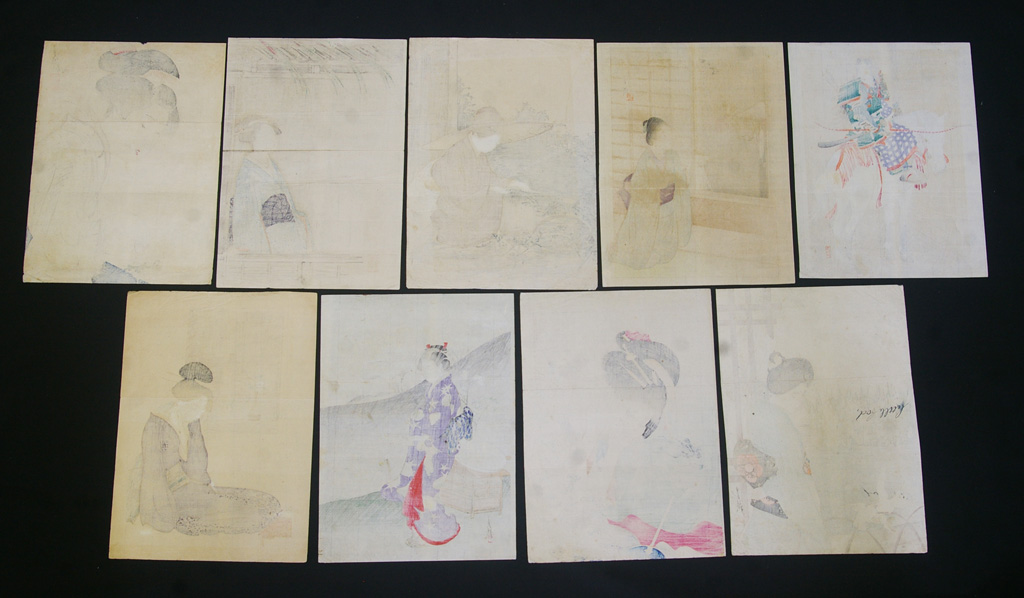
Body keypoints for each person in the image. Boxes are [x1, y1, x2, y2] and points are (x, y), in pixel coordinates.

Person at [136, 362, 281, 536]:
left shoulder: (190, 421)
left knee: (262, 503)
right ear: (187, 403)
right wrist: (167, 510)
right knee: (247, 514)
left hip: (192, 488)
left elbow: (197, 469)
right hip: (170, 496)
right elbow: (155, 475)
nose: (202, 413)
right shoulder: (158, 425)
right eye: (200, 407)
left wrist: (195, 432)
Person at [381, 343, 473, 545]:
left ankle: (436, 532)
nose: (424, 372)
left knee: (428, 494)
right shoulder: (437, 387)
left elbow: (439, 421)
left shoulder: (446, 390)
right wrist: (420, 419)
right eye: (423, 368)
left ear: (441, 367)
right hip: (429, 446)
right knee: (419, 492)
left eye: (428, 367)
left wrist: (419, 420)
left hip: (437, 449)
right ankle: (421, 532)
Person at [611, 117, 691, 269]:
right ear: (654, 139)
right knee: (643, 251)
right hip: (650, 206)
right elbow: (638, 186)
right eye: (664, 135)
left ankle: (660, 251)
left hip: (669, 206)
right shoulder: (645, 158)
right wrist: (656, 193)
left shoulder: (673, 156)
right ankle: (649, 252)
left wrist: (677, 184)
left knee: (665, 250)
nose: (668, 139)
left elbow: (681, 178)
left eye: (668, 135)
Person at [227, 117, 310, 255]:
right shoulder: (248, 170)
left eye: (272, 136)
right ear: (255, 139)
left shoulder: (272, 165)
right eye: (267, 136)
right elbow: (246, 211)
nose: (273, 140)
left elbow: (287, 198)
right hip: (264, 228)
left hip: (284, 225)